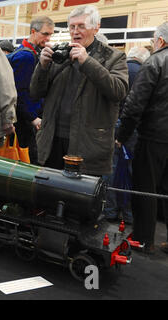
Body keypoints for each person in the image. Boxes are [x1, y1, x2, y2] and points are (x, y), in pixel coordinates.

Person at [29, 5, 128, 176]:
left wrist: (87, 61)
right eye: (72, 26)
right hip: (52, 142)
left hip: (88, 147)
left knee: (79, 199)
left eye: (81, 26)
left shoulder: (113, 56)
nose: (75, 31)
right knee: (48, 196)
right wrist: (42, 66)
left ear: (96, 27)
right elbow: (36, 93)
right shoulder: (62, 52)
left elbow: (118, 91)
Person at [116, 22, 168, 254]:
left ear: (161, 41)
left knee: (146, 187)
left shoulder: (155, 61)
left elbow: (135, 104)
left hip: (153, 136)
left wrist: (122, 135)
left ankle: (143, 238)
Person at [104, 46, 150, 224]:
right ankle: (130, 215)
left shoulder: (117, 69)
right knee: (132, 171)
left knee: (111, 169)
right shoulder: (144, 73)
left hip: (114, 123)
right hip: (135, 127)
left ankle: (109, 211)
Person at [8, 16, 54, 164]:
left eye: (50, 34)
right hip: (24, 121)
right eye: (45, 34)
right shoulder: (26, 56)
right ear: (33, 31)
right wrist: (33, 118)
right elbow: (21, 92)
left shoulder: (25, 52)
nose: (48, 38)